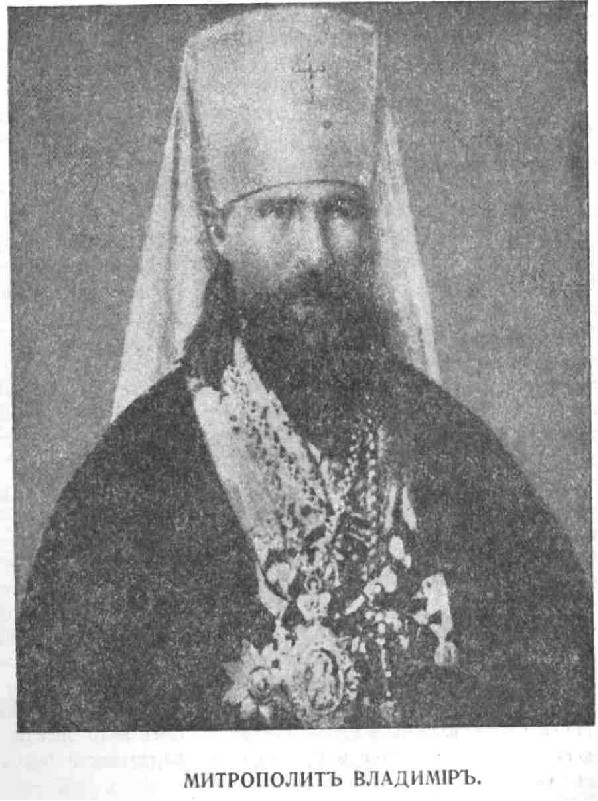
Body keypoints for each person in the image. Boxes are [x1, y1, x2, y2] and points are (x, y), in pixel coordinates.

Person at [16, 7, 593, 731]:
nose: (316, 252)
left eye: (341, 210)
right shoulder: (131, 482)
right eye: (280, 213)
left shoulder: (458, 454)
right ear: (219, 229)